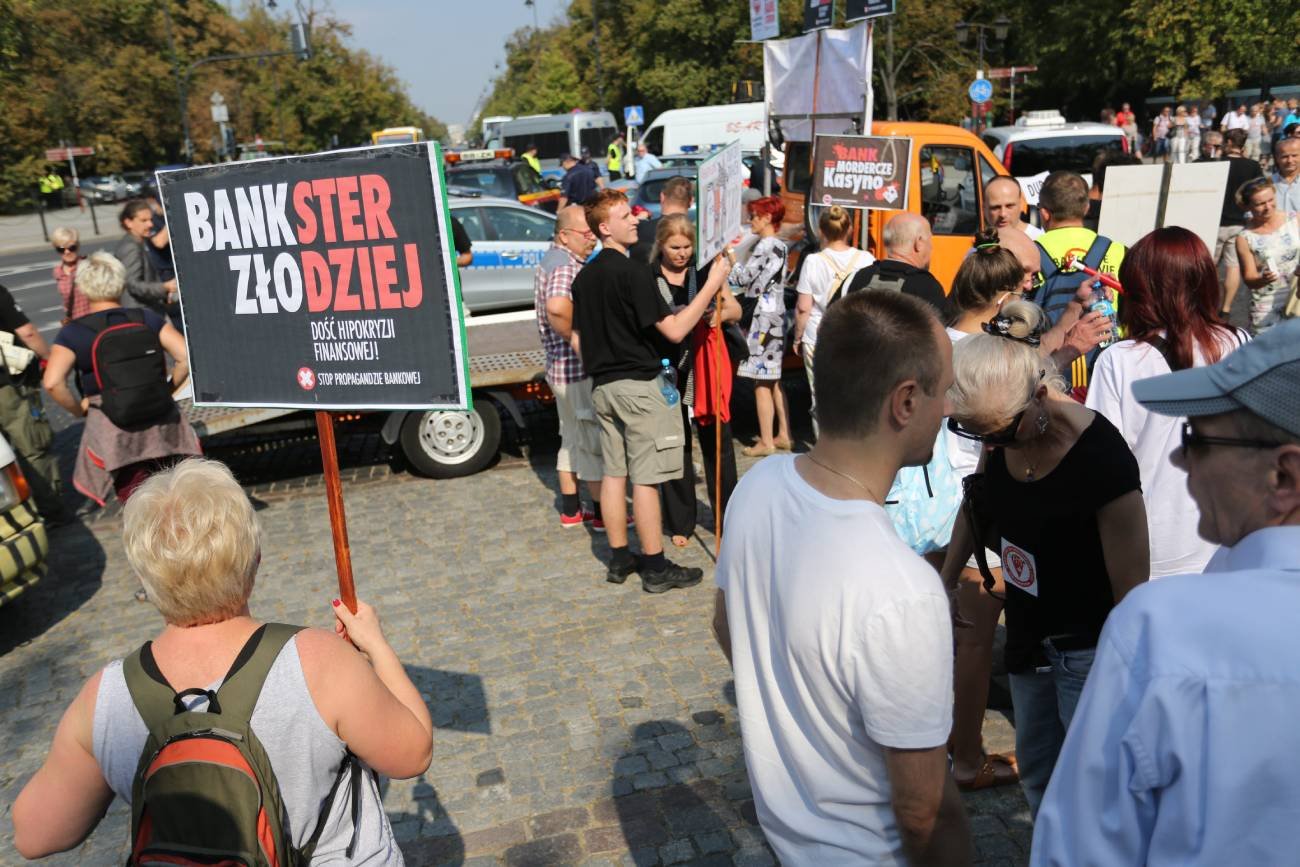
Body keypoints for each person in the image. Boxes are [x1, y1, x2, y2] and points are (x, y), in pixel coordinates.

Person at [12, 458, 431, 862]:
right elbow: (412, 754)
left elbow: (35, 836)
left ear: (144, 577)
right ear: (255, 557)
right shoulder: (319, 659)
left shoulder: (106, 699)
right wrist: (376, 647)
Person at [713, 289, 972, 865]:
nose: (950, 408)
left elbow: (727, 626)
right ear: (906, 401)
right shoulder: (905, 588)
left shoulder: (756, 488)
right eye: (945, 390)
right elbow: (924, 810)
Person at [1031, 319, 1300, 866]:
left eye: (1197, 440)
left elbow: (1081, 850)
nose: (1180, 459)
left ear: (1284, 476)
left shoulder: (1161, 628)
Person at [942, 300, 1149, 815]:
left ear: (1039, 396)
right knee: (1037, 768)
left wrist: (1124, 672)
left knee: (1092, 781)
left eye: (999, 432)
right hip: (1028, 635)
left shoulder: (1100, 457)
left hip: (1088, 645)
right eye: (980, 434)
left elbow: (1132, 588)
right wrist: (945, 581)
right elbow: (977, 503)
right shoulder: (1002, 433)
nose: (992, 444)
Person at [570, 189, 726, 591]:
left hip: (603, 386)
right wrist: (712, 284)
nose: (635, 220)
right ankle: (655, 567)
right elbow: (674, 330)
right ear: (605, 228)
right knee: (646, 478)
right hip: (639, 387)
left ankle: (620, 558)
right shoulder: (633, 272)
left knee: (614, 474)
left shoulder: (584, 278)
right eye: (625, 216)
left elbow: (577, 337)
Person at [1087, 227, 1248, 578]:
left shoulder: (1120, 360)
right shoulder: (1240, 343)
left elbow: (1100, 467)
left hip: (1149, 546)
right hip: (1229, 538)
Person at [42, 252, 200, 506]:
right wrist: (167, 390)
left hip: (115, 428)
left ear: (83, 288)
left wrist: (79, 410)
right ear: (121, 283)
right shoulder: (146, 318)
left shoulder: (74, 333)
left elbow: (52, 383)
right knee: (180, 490)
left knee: (138, 499)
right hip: (161, 421)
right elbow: (185, 357)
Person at [651, 214, 742, 547]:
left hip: (705, 364)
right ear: (661, 245)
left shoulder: (704, 271)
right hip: (667, 367)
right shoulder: (651, 278)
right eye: (675, 247)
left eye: (687, 247)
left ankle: (727, 517)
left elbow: (735, 310)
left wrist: (717, 314)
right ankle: (680, 521)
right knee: (675, 444)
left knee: (718, 442)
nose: (681, 253)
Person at [535, 205, 607, 530]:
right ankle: (602, 514)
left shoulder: (551, 258)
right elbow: (557, 308)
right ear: (564, 235)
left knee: (571, 436)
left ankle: (571, 509)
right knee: (590, 442)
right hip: (574, 369)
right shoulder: (566, 265)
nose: (593, 238)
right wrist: (581, 342)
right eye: (586, 232)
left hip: (558, 369)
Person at [1034, 171, 1127, 395]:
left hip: (1049, 371)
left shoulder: (1029, 255)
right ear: (1086, 208)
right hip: (1106, 368)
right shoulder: (1119, 251)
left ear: (1044, 213)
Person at [792, 205, 873, 436]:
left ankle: (824, 445)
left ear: (821, 231)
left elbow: (803, 307)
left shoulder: (813, 261)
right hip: (855, 334)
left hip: (818, 335)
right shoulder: (866, 258)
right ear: (850, 229)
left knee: (820, 395)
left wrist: (797, 337)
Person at [729, 196, 792, 457]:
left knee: (761, 382)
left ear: (767, 218)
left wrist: (730, 256)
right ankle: (784, 434)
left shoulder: (765, 246)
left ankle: (766, 440)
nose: (750, 220)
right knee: (774, 379)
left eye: (753, 216)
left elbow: (744, 279)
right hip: (776, 315)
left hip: (763, 320)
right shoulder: (780, 245)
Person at [0, 282, 63, 521]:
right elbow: (27, 332)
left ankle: (11, 513)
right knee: (33, 447)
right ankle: (52, 510)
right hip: (9, 385)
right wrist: (49, 358)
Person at [1194, 128, 1264, 321]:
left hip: (1214, 222)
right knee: (1233, 267)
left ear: (1230, 143)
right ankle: (1225, 308)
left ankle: (1207, 305)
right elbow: (1257, 190)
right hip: (1239, 222)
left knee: (1209, 267)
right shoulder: (1253, 165)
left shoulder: (1217, 163)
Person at [841, 212, 955, 320]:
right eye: (929, 240)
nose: (931, 248)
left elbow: (833, 323)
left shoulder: (854, 279)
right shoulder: (928, 288)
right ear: (919, 242)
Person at [1235, 176, 1300, 335]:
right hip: (1266, 308)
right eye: (1260, 204)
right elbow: (1249, 279)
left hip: (1297, 298)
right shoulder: (1245, 238)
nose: (1268, 207)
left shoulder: (1295, 220)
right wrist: (1263, 279)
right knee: (1269, 349)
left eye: (1271, 200)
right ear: (1248, 206)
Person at [114, 198, 177, 317]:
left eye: (150, 219)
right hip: (140, 312)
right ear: (128, 222)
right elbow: (133, 284)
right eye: (144, 220)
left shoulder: (140, 241)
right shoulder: (130, 247)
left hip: (150, 309)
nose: (150, 224)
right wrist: (164, 287)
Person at [629, 175, 692, 263]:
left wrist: (639, 221)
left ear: (662, 197)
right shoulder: (697, 234)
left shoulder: (637, 230)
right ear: (691, 201)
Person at [50, 226, 90, 321]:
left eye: (72, 248)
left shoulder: (88, 266)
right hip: (75, 322)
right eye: (61, 249)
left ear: (78, 246)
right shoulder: (58, 272)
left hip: (93, 319)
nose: (67, 252)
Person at [1273, 136, 1300, 212]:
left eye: (1294, 155)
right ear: (1277, 158)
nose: (1290, 160)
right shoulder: (1268, 183)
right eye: (1284, 157)